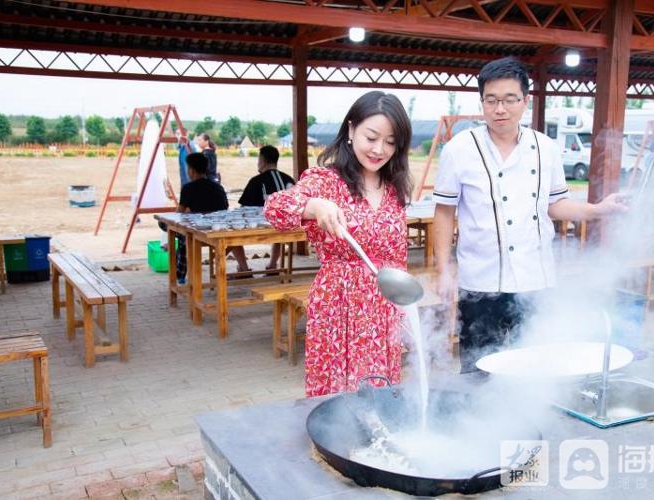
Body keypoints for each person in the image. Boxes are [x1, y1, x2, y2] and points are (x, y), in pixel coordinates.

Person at [432, 58, 627, 373]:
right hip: (481, 284)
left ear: (525, 101)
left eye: (510, 100)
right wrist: (444, 270)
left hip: (536, 281)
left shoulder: (546, 148)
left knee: (535, 370)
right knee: (478, 371)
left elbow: (556, 205)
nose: (500, 109)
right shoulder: (458, 149)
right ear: (482, 102)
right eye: (492, 100)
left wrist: (598, 210)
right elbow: (444, 213)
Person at [264, 91, 412, 397]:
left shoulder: (394, 188)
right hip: (339, 305)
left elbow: (397, 256)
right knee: (337, 397)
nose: (378, 149)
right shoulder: (327, 180)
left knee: (379, 395)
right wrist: (314, 206)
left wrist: (404, 305)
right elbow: (275, 208)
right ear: (350, 130)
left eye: (390, 141)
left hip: (383, 308)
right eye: (371, 137)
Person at [234, 145, 295, 272]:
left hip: (261, 229)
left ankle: (244, 269)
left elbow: (243, 209)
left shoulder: (256, 181)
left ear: (263, 160)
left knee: (233, 230)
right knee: (279, 220)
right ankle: (273, 265)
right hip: (289, 227)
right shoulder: (288, 179)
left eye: (258, 159)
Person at [175, 152, 229, 284]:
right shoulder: (218, 187)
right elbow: (225, 208)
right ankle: (180, 273)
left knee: (175, 230)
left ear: (192, 171)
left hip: (199, 232)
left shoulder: (188, 188)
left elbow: (179, 213)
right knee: (184, 235)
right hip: (217, 228)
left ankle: (179, 274)